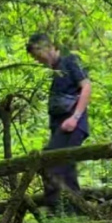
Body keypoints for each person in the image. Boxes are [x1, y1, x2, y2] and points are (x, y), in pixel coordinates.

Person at [26, 32, 91, 212]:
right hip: (61, 127)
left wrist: (75, 118)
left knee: (56, 163)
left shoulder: (70, 60)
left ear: (46, 48)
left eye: (37, 56)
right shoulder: (57, 70)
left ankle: (70, 213)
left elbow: (86, 87)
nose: (38, 60)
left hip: (72, 125)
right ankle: (62, 212)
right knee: (58, 164)